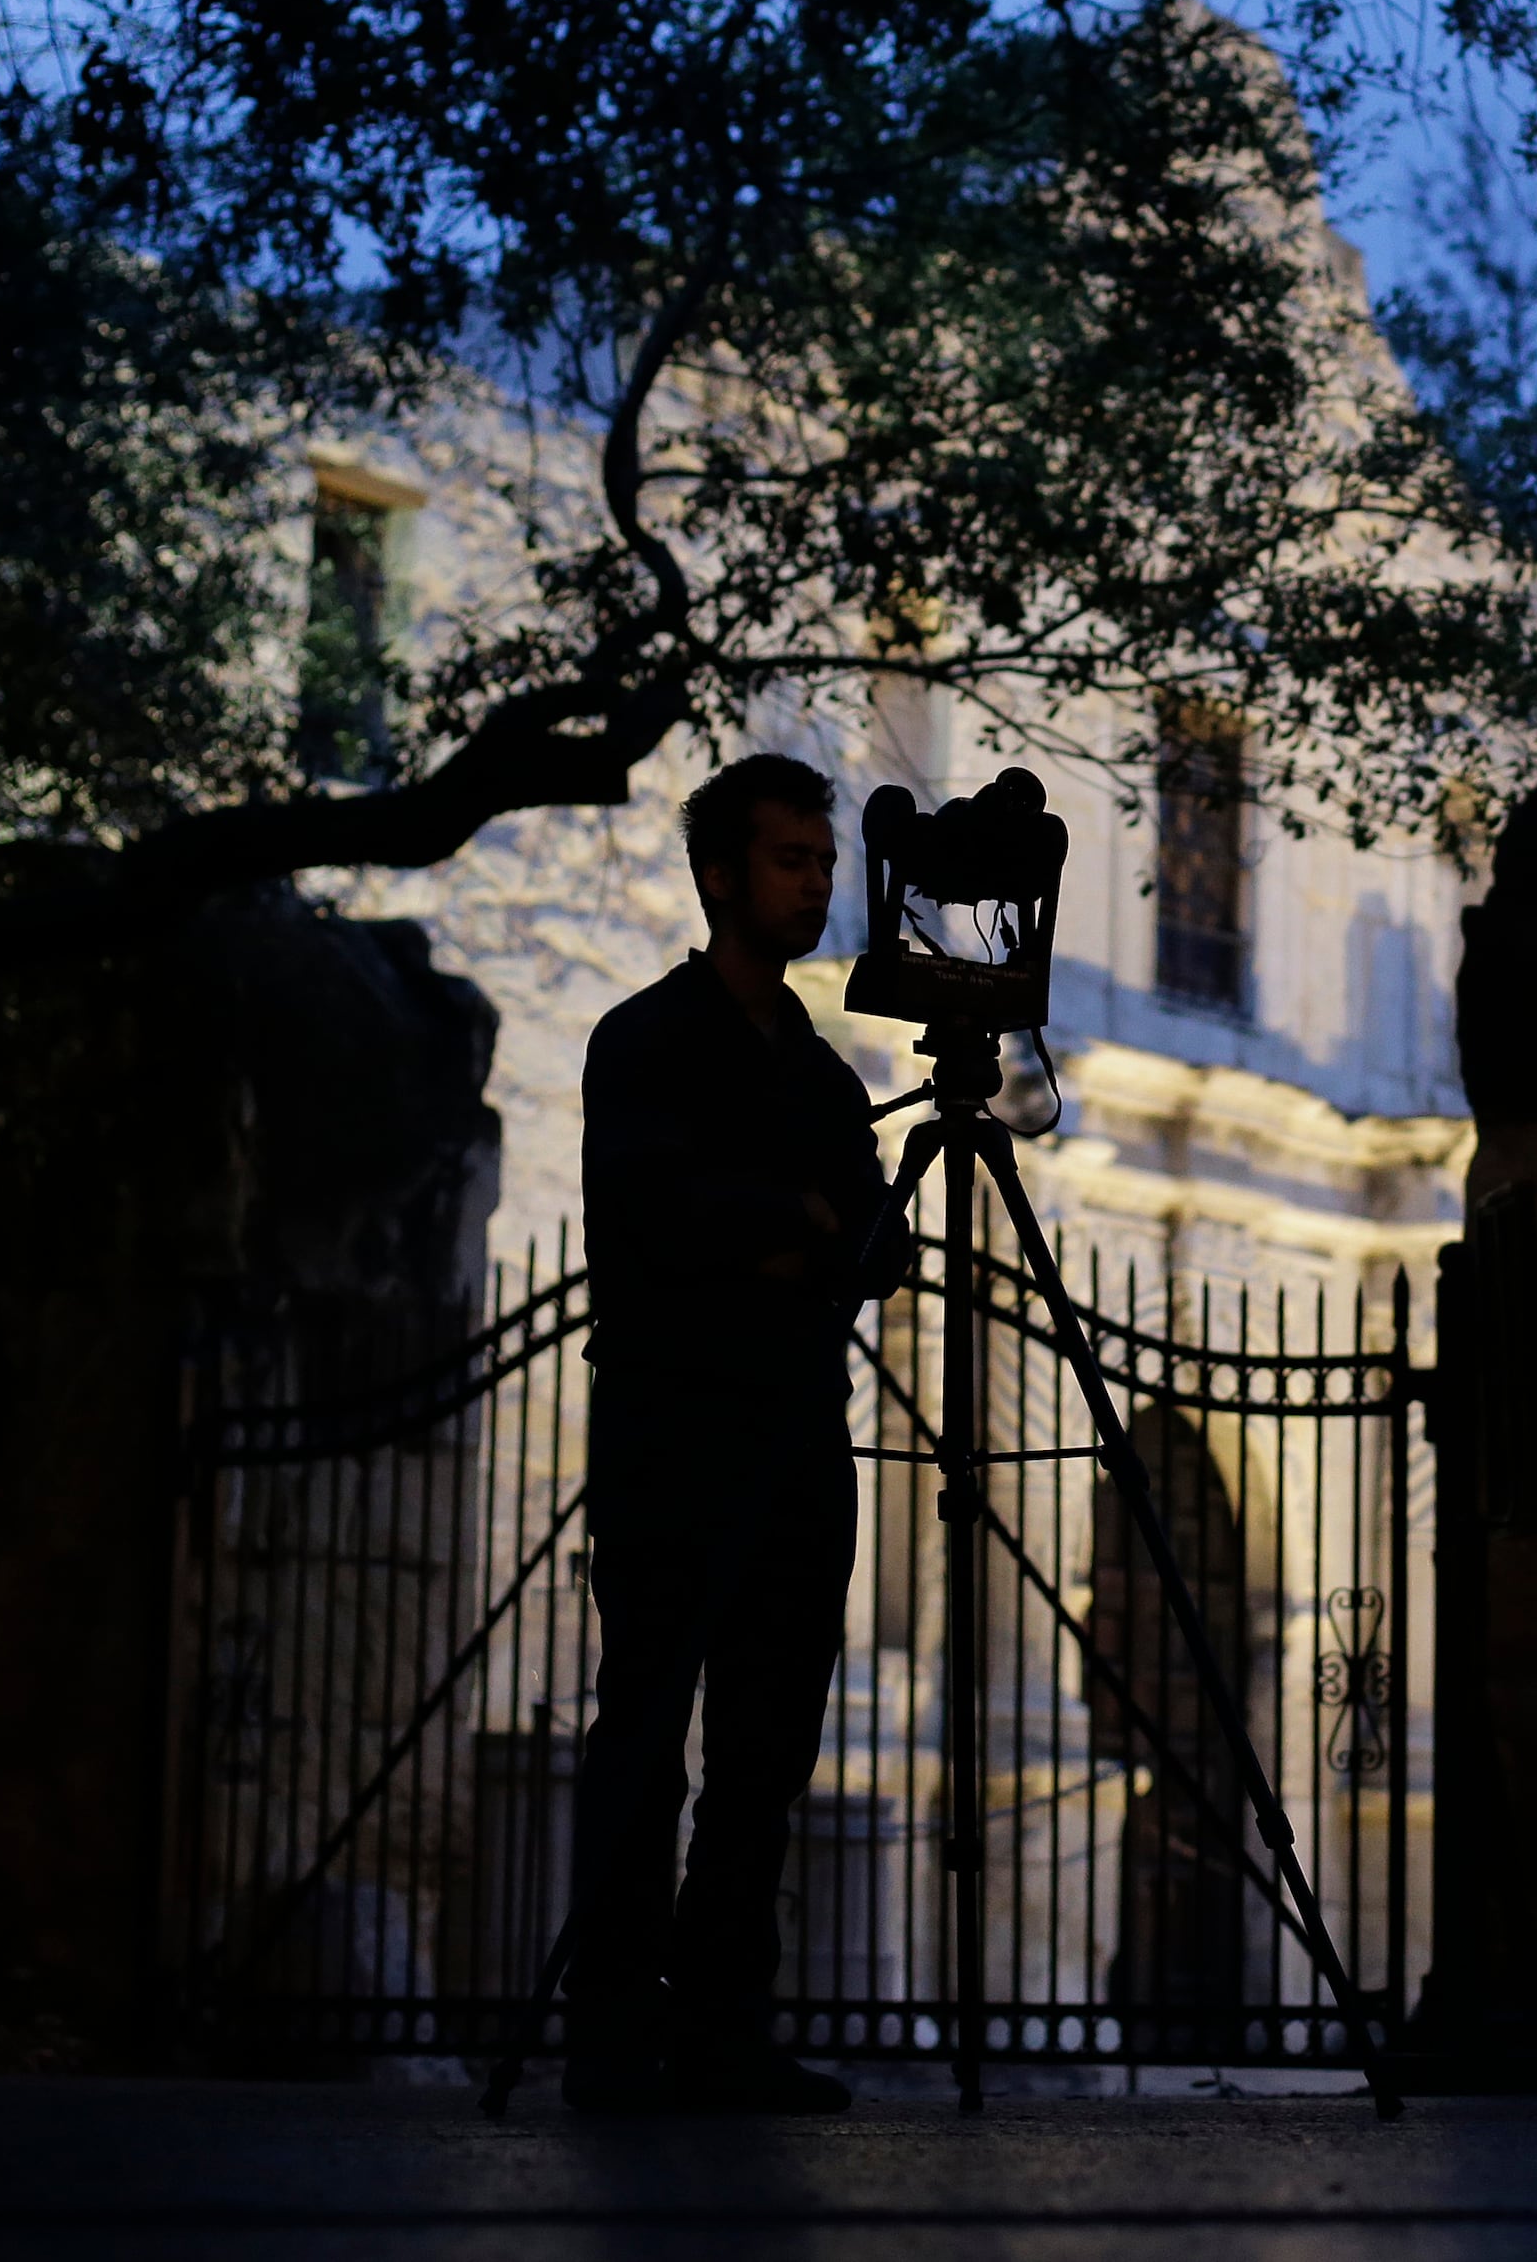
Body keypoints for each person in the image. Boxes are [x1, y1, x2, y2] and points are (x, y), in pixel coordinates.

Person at [561, 752, 888, 2114]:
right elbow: (663, 1217)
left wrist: (796, 1231)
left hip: (801, 1446)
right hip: (669, 1437)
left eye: (823, 862)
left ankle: (721, 2026)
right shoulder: (641, 1041)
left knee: (765, 1757)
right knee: (643, 1739)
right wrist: (793, 1224)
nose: (815, 883)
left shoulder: (825, 1078)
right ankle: (609, 2032)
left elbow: (876, 1250)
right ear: (719, 875)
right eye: (788, 859)